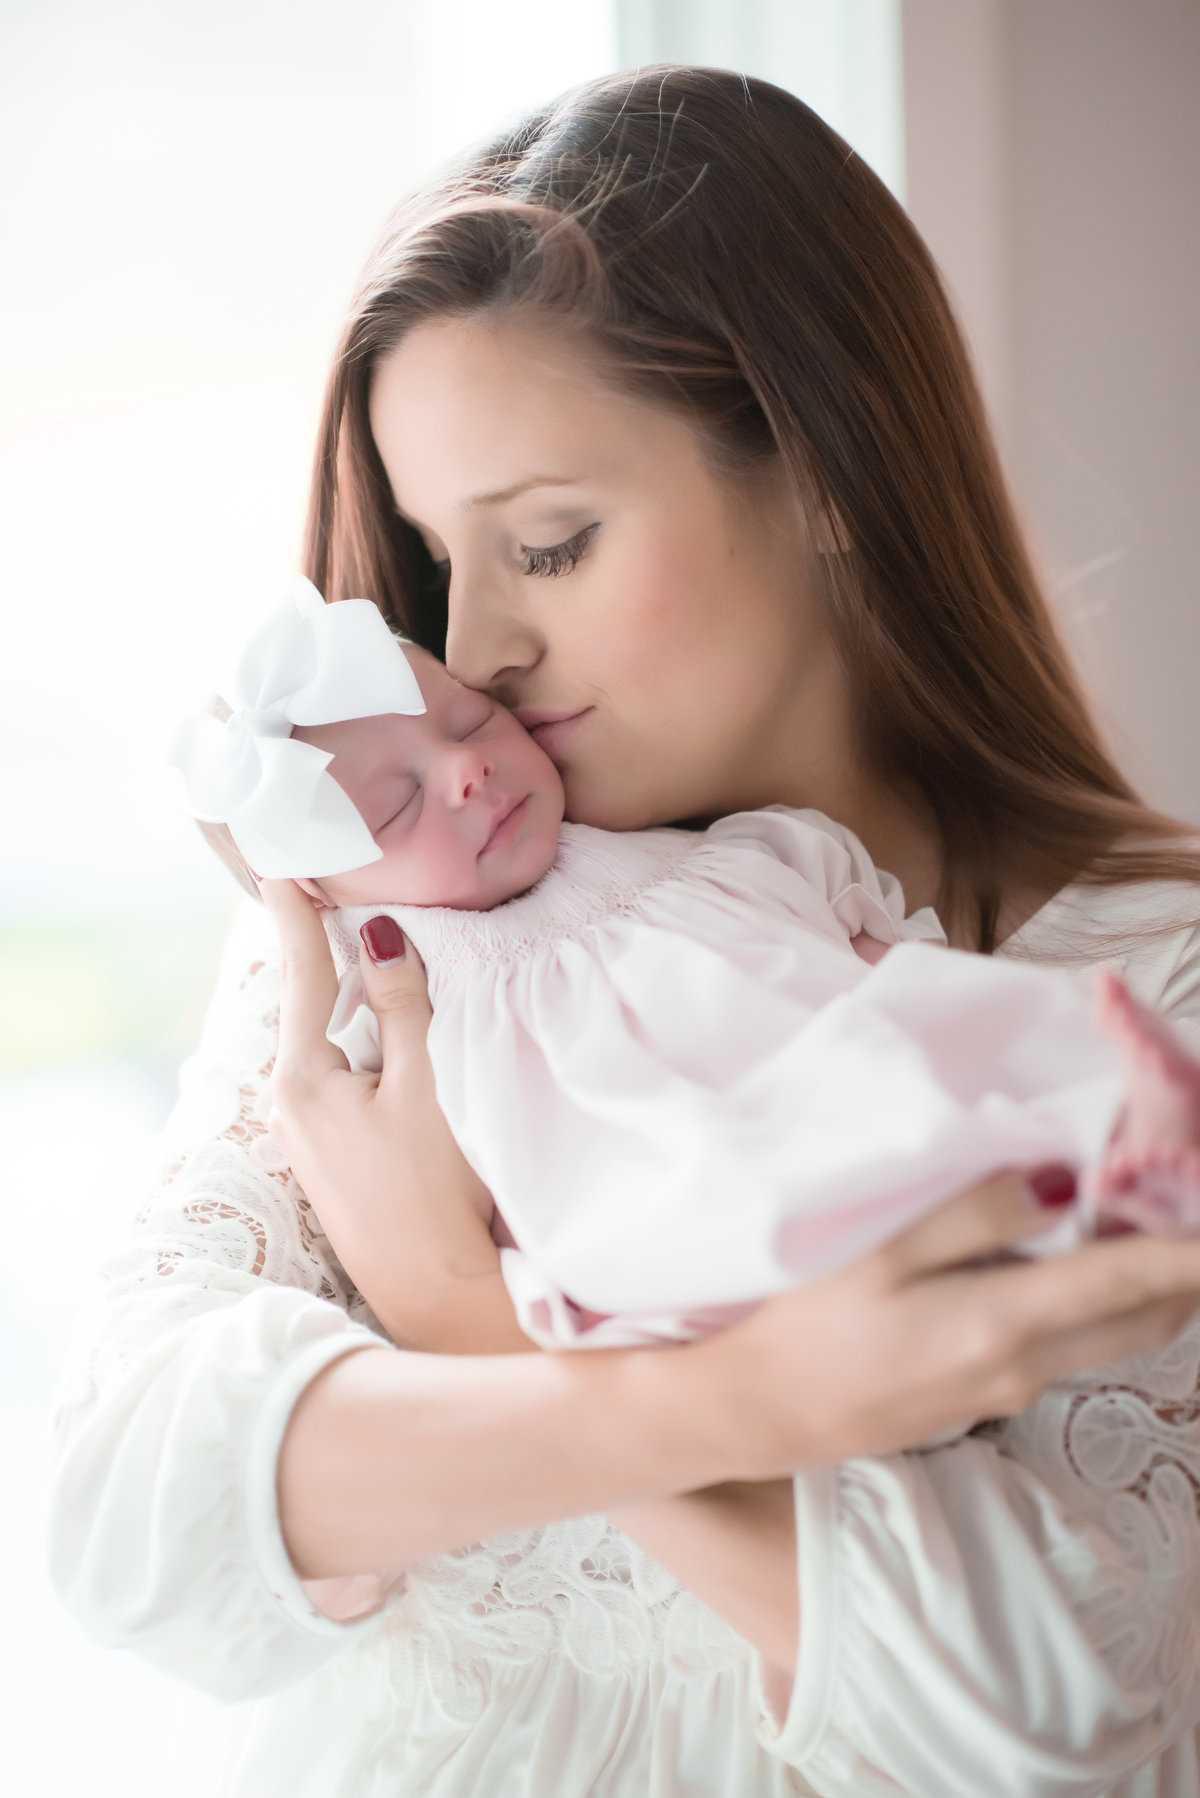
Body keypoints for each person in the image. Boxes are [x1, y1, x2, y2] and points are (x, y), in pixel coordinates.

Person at [47, 66, 1200, 1797]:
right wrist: (731, 1410)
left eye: (553, 541)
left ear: (827, 468)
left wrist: (460, 1307)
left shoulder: (1145, 1001)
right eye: (443, 564)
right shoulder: (407, 949)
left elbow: (1050, 1726)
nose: (480, 646)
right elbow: (132, 1519)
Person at [174, 579, 1200, 1356]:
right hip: (665, 1180)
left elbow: (831, 922)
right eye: (396, 805)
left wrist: (908, 974)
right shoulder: (397, 990)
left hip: (824, 1058)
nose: (468, 767)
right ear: (321, 899)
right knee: (751, 1222)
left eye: (469, 719)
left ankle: (1116, 1164)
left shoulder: (661, 847)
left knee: (954, 1053)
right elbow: (376, 1150)